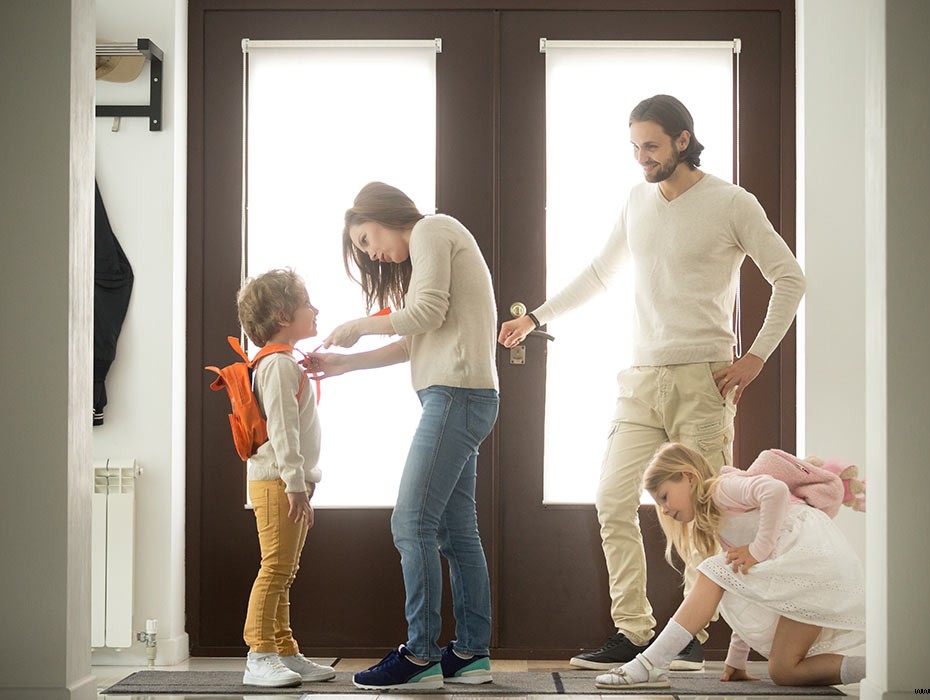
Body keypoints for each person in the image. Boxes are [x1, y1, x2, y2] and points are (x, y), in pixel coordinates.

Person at [499, 94, 806, 670]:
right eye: (635, 146)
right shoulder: (637, 202)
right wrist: (535, 318)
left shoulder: (731, 202)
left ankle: (691, 634)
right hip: (640, 376)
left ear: (683, 141)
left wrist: (757, 357)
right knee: (613, 498)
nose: (641, 157)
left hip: (702, 379)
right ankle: (634, 632)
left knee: (703, 510)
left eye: (651, 146)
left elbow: (789, 277)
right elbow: (598, 273)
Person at [307, 182, 499, 690]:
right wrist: (348, 365)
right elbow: (417, 339)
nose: (372, 253)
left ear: (384, 216)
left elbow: (424, 315)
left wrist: (359, 325)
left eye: (367, 239)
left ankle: (420, 657)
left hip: (456, 397)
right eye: (364, 248)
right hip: (460, 396)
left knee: (410, 522)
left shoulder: (433, 229)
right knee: (456, 533)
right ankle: (471, 654)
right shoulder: (430, 248)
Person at [594, 442, 865, 689]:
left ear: (688, 476)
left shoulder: (723, 488)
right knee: (785, 671)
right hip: (810, 573)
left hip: (810, 559)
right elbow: (748, 589)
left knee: (714, 570)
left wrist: (758, 550)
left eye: (664, 496)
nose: (663, 509)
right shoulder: (723, 528)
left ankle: (651, 664)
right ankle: (880, 669)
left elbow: (775, 490)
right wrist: (737, 660)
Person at [235, 268, 337, 688]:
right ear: (282, 315)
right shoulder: (277, 366)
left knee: (284, 570)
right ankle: (259, 654)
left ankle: (284, 650)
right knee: (276, 568)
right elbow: (283, 431)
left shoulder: (282, 363)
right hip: (280, 482)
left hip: (287, 482)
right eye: (306, 303)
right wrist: (295, 485)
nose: (315, 310)